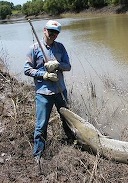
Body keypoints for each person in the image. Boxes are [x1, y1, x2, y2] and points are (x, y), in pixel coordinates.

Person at [24, 20, 72, 164]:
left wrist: (58, 65)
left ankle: (72, 141)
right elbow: (27, 69)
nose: (53, 35)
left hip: (60, 91)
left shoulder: (61, 47)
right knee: (41, 124)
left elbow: (68, 66)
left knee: (68, 119)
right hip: (43, 93)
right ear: (44, 30)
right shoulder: (34, 48)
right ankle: (38, 155)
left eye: (56, 32)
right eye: (51, 31)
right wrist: (43, 74)